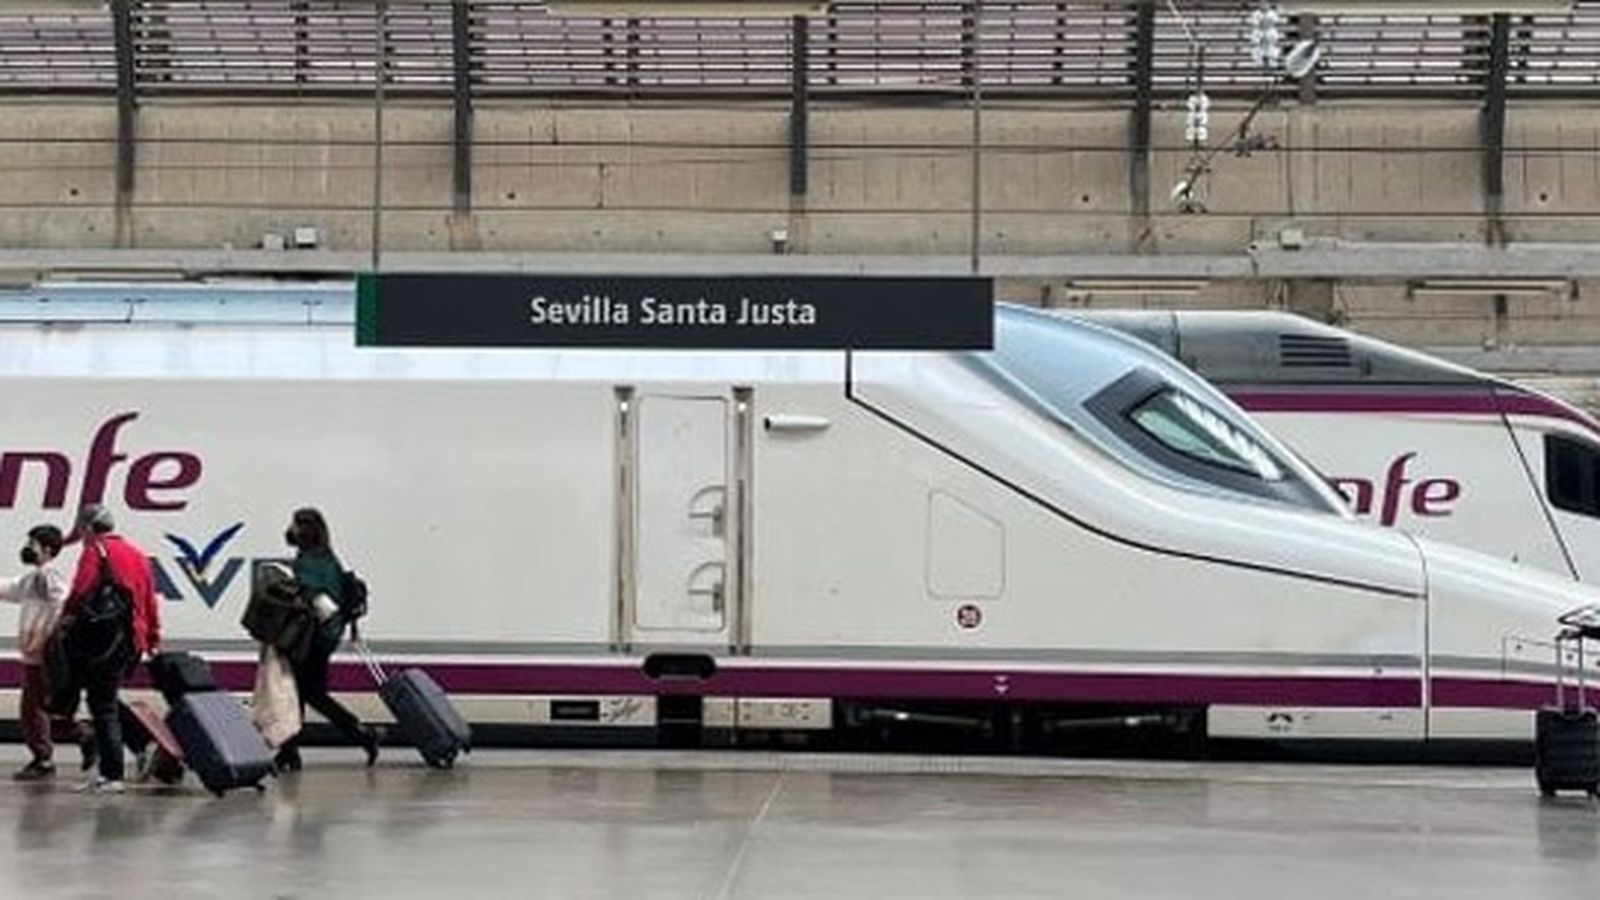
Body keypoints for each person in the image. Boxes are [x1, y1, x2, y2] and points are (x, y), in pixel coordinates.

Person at [62, 504, 159, 794]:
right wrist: (152, 636)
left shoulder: (96, 551)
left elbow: (80, 590)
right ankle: (141, 744)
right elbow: (150, 600)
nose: (81, 536)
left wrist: (65, 619)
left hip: (103, 641)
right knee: (104, 698)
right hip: (131, 640)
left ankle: (112, 774)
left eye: (81, 530)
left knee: (102, 704)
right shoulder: (138, 555)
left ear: (89, 528)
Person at [274, 507, 379, 772]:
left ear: (305, 530)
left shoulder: (307, 562)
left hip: (312, 638)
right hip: (328, 636)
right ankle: (291, 750)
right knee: (308, 692)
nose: (291, 530)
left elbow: (313, 599)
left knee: (301, 692)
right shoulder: (328, 557)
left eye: (296, 525)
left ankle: (357, 733)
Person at [0, 525, 94, 780]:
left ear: (48, 550)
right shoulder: (33, 579)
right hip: (35, 655)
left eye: (33, 544)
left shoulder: (49, 576)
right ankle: (64, 745)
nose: (28, 548)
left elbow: (61, 602)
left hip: (44, 655)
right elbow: (10, 588)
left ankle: (58, 751)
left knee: (38, 708)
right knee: (39, 707)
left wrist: (46, 638)